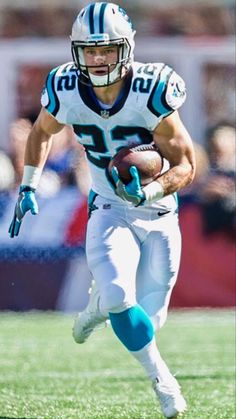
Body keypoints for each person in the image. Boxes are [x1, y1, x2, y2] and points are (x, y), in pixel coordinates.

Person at [9, 3, 195, 417]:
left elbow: (187, 164)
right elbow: (41, 130)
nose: (96, 59)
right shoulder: (66, 86)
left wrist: (149, 192)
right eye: (88, 50)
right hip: (108, 207)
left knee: (149, 320)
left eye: (106, 49)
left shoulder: (153, 88)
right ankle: (163, 383)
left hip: (161, 212)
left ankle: (98, 308)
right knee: (117, 295)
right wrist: (29, 183)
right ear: (76, 51)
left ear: (126, 49)